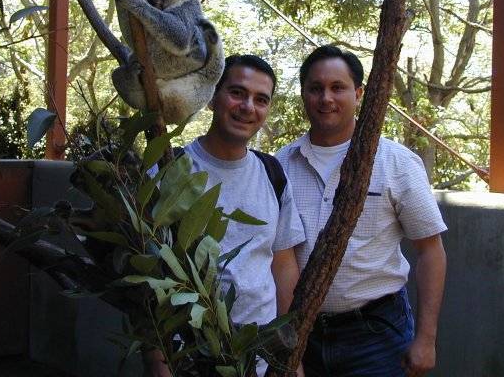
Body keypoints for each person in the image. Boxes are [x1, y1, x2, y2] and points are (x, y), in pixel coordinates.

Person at [276, 45, 447, 377]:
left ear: (358, 94)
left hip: (376, 334)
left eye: (337, 87)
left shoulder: (396, 162)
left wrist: (426, 339)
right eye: (316, 88)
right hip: (301, 334)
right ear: (303, 94)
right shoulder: (280, 165)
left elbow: (431, 251)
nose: (326, 98)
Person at [147, 54, 306, 377]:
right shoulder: (169, 170)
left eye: (261, 99)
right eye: (237, 93)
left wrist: (293, 359)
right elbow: (148, 281)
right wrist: (159, 364)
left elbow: (283, 264)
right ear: (211, 98)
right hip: (186, 356)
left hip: (259, 357)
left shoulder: (272, 173)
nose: (248, 107)